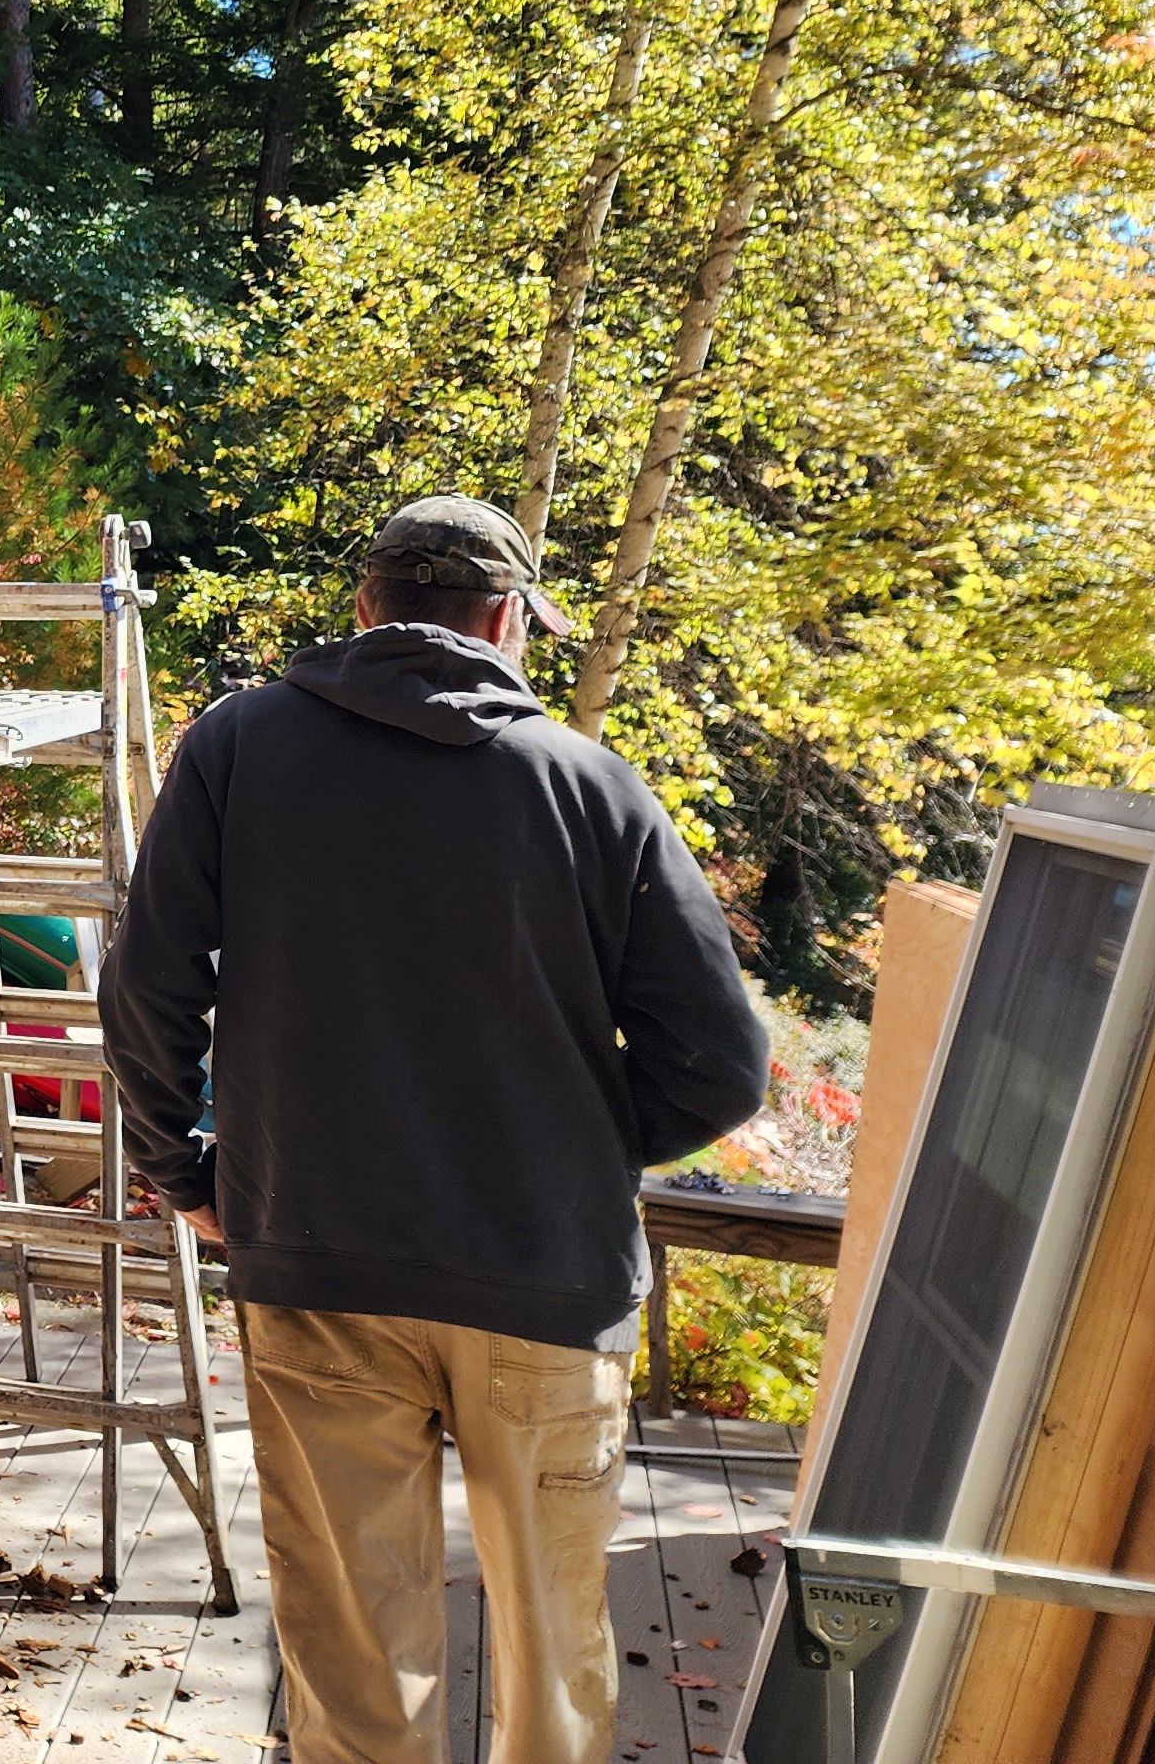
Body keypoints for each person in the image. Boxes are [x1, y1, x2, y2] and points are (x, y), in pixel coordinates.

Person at [102, 499, 768, 1764]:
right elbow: (723, 1066)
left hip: (316, 1261)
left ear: (365, 607)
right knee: (553, 1647)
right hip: (544, 1278)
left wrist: (183, 1171)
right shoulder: (588, 784)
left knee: (353, 1648)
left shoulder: (239, 745)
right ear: (507, 621)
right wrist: (569, 1150)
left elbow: (145, 987)